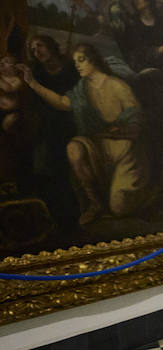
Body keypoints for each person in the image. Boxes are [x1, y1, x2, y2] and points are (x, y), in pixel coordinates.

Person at [20, 41, 152, 224]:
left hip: (126, 150)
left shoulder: (116, 85)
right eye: (75, 61)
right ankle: (95, 203)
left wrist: (124, 128)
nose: (77, 65)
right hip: (100, 146)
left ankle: (148, 193)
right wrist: (33, 83)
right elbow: (62, 102)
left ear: (94, 60)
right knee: (74, 147)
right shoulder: (82, 88)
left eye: (81, 60)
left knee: (119, 207)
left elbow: (136, 115)